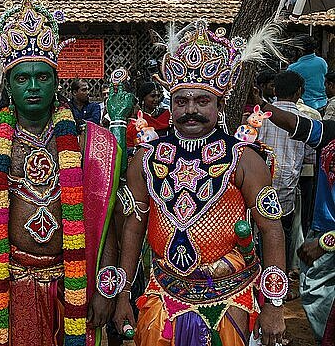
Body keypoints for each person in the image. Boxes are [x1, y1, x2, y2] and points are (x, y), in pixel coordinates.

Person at [0, 0, 126, 346]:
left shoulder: (90, 143)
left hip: (72, 285)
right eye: (22, 78)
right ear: (8, 86)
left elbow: (104, 220)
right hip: (8, 288)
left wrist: (106, 286)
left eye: (42, 76)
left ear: (55, 81)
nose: (32, 86)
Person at [114, 20, 286, 346]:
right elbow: (133, 229)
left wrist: (275, 306)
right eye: (181, 101)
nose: (190, 110)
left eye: (202, 101)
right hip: (162, 295)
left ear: (220, 105)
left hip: (231, 299)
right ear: (171, 104)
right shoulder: (145, 160)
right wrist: (122, 294)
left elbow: (272, 230)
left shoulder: (245, 160)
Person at [250, 87, 335, 344]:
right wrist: (260, 104)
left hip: (326, 239)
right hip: (322, 229)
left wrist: (325, 244)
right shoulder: (330, 132)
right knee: (318, 301)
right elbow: (294, 124)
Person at [258, 71, 308, 284]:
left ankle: (260, 278)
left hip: (261, 188)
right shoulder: (307, 119)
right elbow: (312, 156)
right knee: (284, 234)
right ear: (299, 92)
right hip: (287, 189)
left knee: (260, 233)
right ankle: (281, 281)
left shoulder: (260, 117)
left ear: (275, 91)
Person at [288, 35, 328, 112]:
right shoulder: (322, 62)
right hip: (324, 104)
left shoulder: (293, 68)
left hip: (305, 107)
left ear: (300, 51)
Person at [126, 82, 170, 147]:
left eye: (158, 96)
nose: (156, 99)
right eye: (152, 96)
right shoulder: (136, 117)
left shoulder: (166, 114)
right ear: (143, 97)